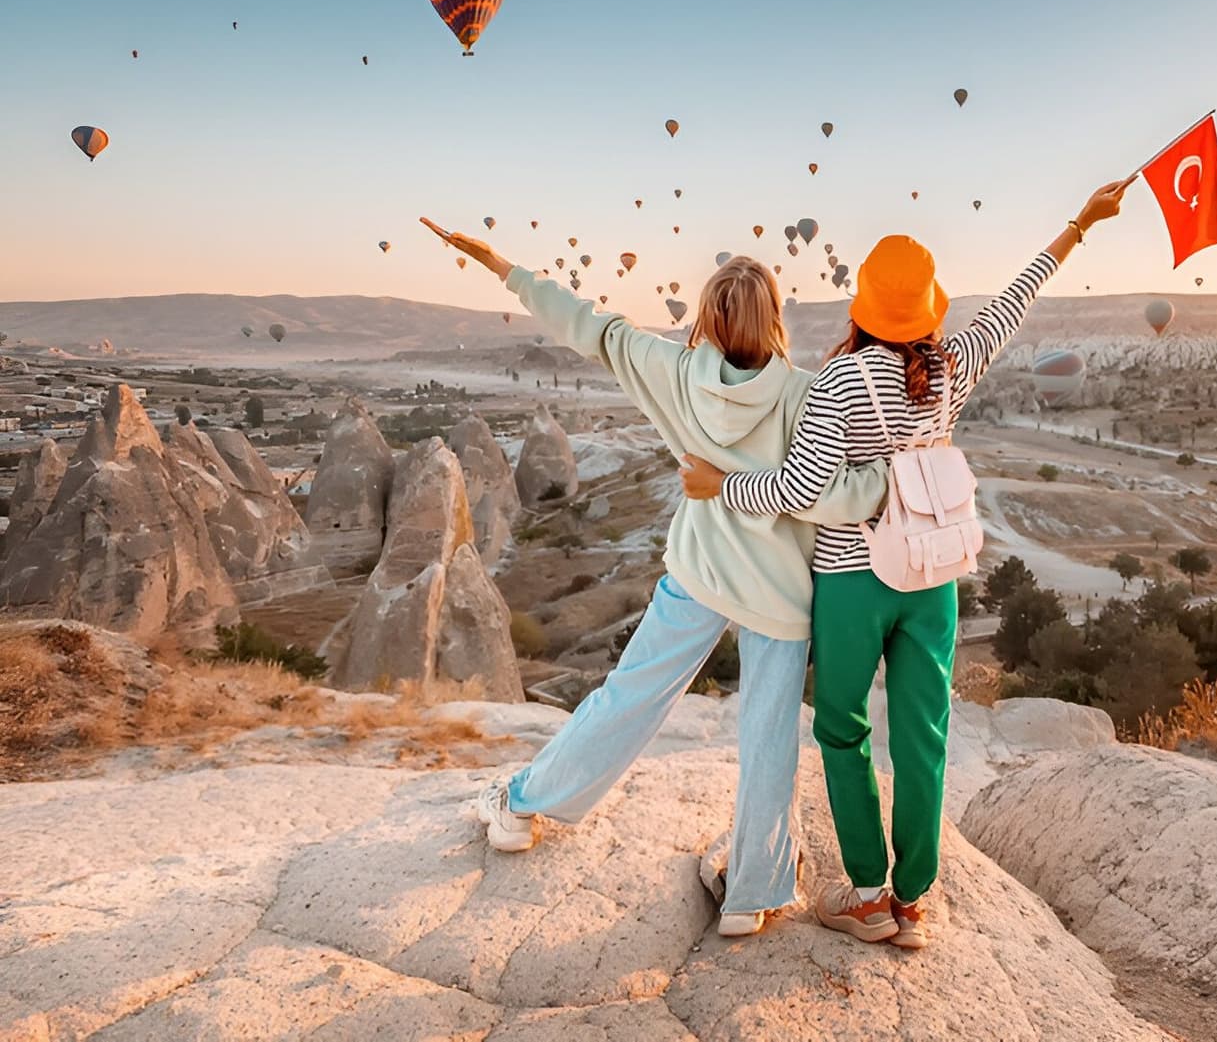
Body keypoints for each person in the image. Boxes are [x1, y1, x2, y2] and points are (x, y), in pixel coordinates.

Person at [681, 178, 1128, 949]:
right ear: (927, 307)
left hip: (856, 581)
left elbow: (796, 488)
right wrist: (1079, 223)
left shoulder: (838, 383)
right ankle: (915, 900)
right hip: (934, 581)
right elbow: (1013, 304)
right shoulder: (950, 367)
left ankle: (865, 895)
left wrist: (723, 484)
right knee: (924, 735)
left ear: (860, 305)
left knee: (845, 731)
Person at [420, 218, 888, 939]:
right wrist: (884, 482)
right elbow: (835, 490)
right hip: (780, 592)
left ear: (704, 318)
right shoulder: (804, 393)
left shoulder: (671, 369)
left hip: (699, 572)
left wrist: (501, 265)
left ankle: (523, 807)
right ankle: (754, 893)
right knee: (768, 734)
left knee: (630, 695)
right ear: (776, 322)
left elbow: (587, 324)